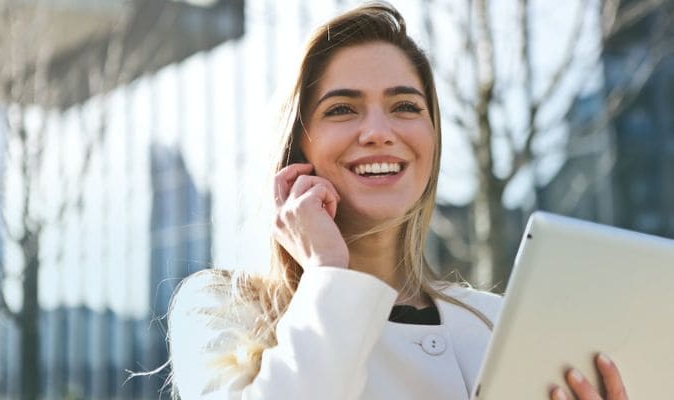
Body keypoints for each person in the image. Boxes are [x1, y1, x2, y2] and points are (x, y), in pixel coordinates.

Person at [168, 3, 628, 399]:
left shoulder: (496, 326)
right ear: (298, 147)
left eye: (405, 106)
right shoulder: (220, 311)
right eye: (342, 109)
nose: (378, 133)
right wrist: (328, 271)